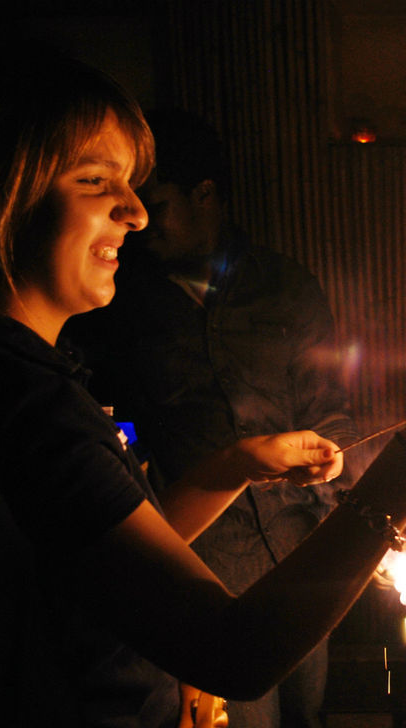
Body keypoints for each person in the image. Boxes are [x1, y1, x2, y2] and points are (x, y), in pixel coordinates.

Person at [0, 53, 406, 728]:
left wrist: (238, 464)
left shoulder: (12, 369)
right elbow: (232, 652)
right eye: (95, 182)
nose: (135, 214)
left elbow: (100, 549)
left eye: (135, 186)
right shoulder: (26, 406)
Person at [63, 107, 360, 728]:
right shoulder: (116, 304)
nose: (139, 222)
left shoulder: (286, 286)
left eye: (156, 202)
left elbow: (331, 408)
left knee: (308, 714)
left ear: (206, 196)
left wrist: (336, 485)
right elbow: (113, 443)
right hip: (200, 573)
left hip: (295, 560)